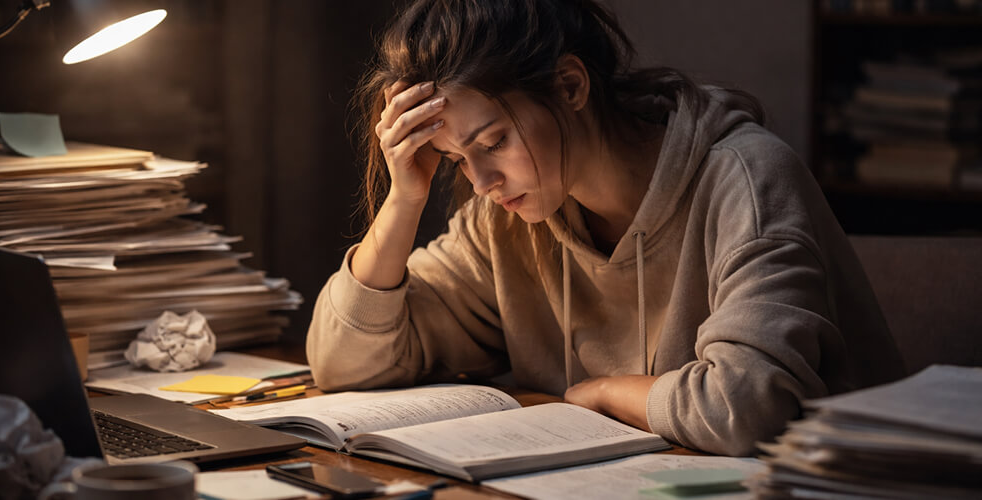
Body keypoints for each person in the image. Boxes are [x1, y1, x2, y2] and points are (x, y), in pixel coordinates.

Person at [307, 0, 905, 456]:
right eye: (456, 159)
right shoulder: (508, 220)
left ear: (570, 86)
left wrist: (602, 392)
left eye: (494, 141)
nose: (482, 181)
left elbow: (748, 406)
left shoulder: (744, 178)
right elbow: (344, 364)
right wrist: (404, 200)